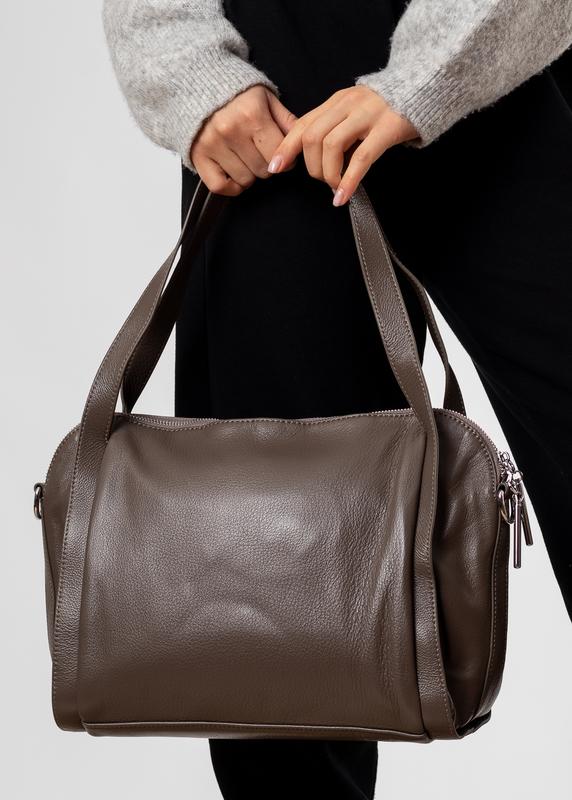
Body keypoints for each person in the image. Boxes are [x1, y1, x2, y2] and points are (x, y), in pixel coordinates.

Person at [101, 2, 572, 798]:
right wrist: (186, 64)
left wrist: (434, 71)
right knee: (274, 625)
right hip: (266, 103)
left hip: (508, 56)